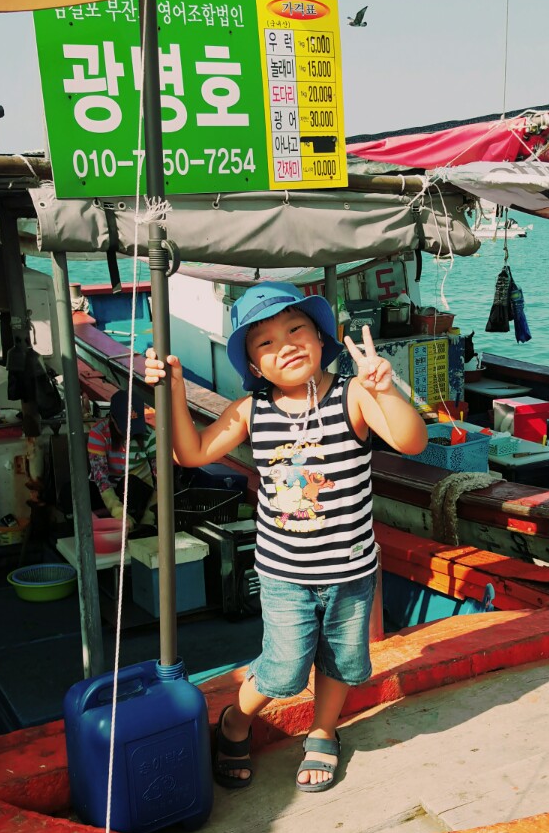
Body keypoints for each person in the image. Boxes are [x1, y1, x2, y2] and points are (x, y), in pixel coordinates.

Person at [144, 282, 427, 792]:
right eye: (266, 342)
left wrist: (386, 388)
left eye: (296, 330)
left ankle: (323, 730)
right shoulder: (251, 410)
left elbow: (412, 439)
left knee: (341, 660)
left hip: (352, 570)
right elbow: (191, 453)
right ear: (254, 367)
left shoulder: (354, 394)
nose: (287, 345)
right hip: (285, 575)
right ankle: (235, 721)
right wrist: (174, 391)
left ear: (322, 339)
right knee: (282, 669)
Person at [87, 389, 157, 529]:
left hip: (136, 492)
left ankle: (137, 524)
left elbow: (162, 478)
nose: (130, 434)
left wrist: (150, 514)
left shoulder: (150, 435)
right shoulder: (98, 433)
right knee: (73, 492)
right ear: (112, 419)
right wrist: (117, 510)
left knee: (129, 484)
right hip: (108, 491)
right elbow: (101, 478)